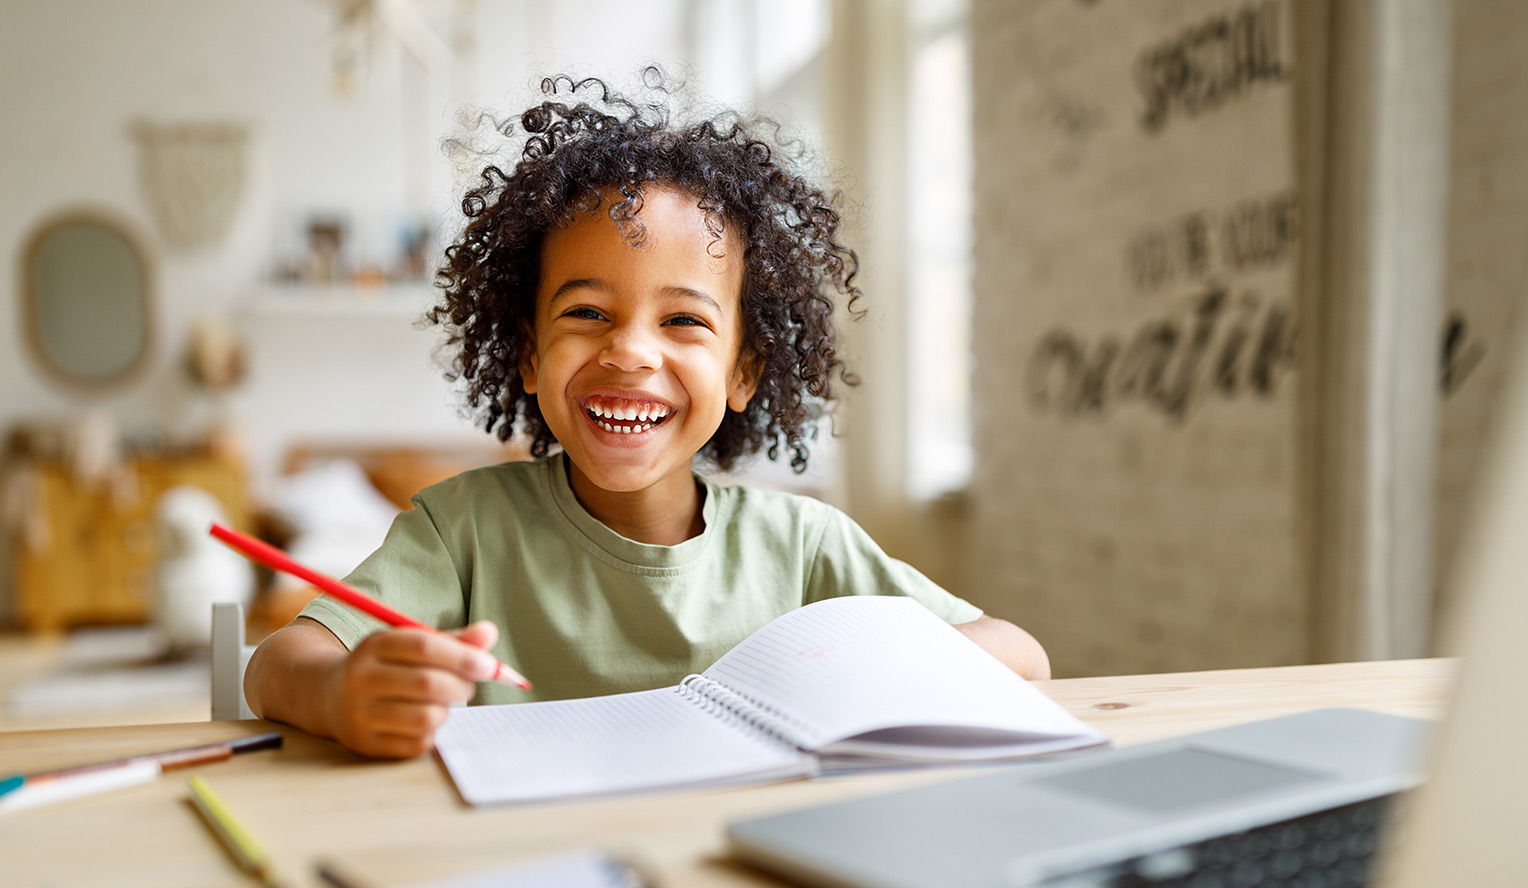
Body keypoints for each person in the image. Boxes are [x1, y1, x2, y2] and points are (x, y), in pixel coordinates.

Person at [243, 72, 1050, 759]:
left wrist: (856, 672)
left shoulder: (806, 546)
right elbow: (278, 661)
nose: (630, 352)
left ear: (743, 372)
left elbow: (1022, 657)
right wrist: (341, 690)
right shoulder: (463, 531)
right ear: (529, 355)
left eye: (684, 321)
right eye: (588, 312)